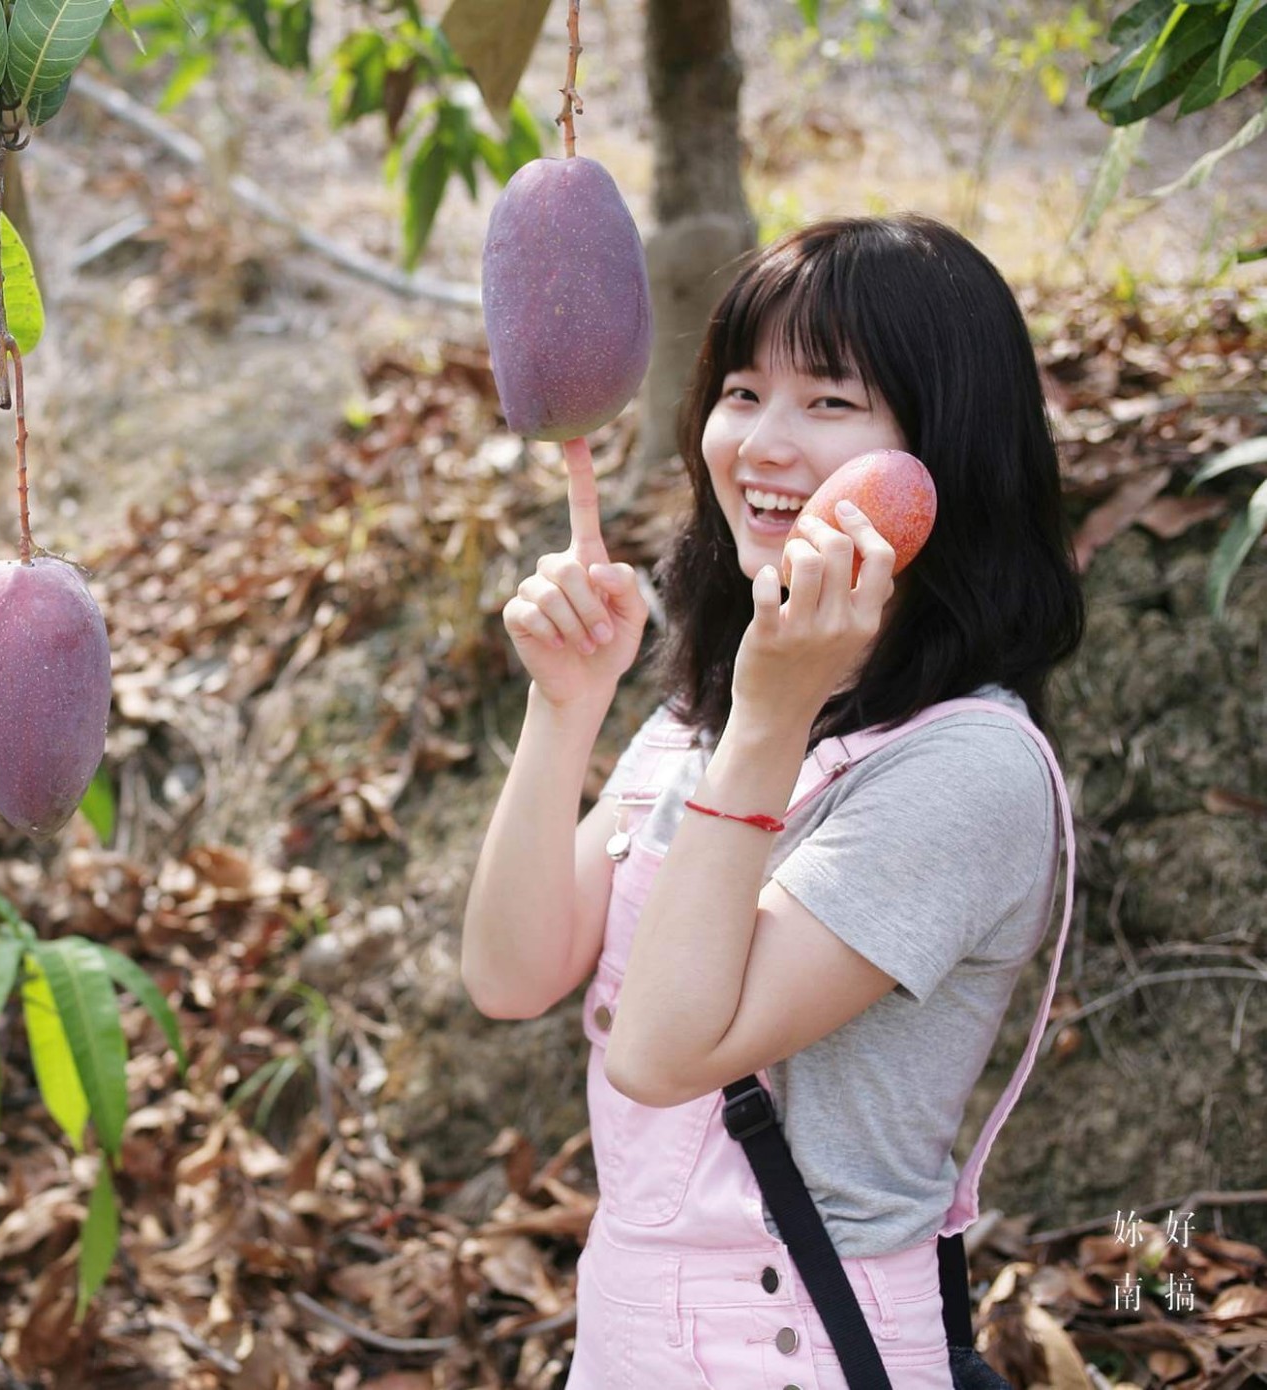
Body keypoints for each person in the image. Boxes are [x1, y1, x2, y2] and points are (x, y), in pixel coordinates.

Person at [462, 214, 1085, 1388]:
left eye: (830, 404)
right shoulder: (708, 717)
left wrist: (766, 716)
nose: (760, 443)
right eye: (741, 390)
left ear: (945, 446)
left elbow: (660, 1050)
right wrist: (565, 709)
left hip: (796, 1338)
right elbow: (508, 974)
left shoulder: (968, 772)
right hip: (629, 1332)